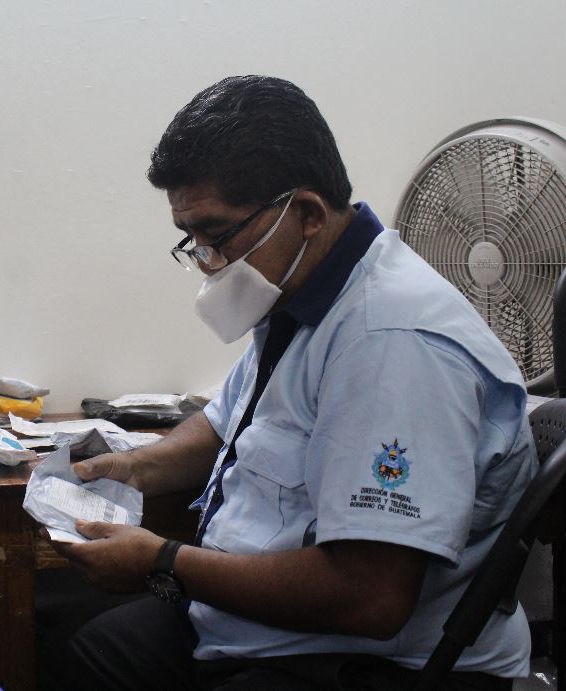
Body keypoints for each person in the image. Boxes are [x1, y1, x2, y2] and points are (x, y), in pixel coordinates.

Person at [48, 75, 537, 690]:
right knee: (86, 651)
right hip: (261, 623)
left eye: (217, 235)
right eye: (191, 240)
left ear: (305, 214)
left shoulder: (392, 344)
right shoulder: (306, 298)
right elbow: (227, 424)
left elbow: (370, 597)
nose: (207, 261)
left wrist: (162, 560)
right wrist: (135, 468)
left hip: (370, 659)